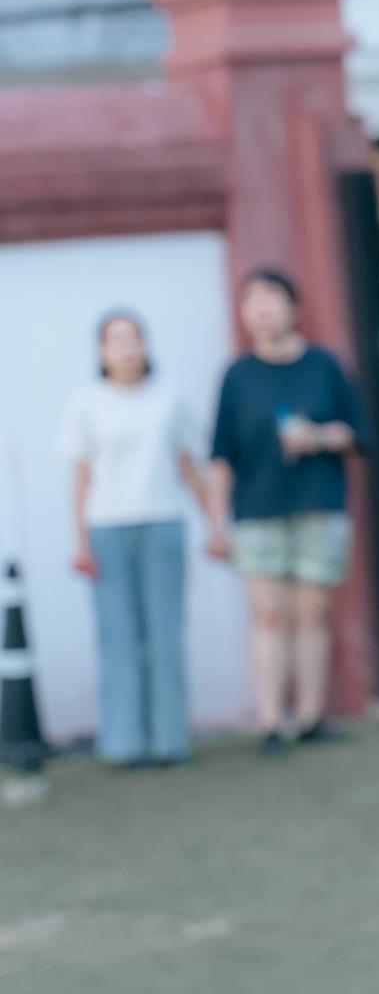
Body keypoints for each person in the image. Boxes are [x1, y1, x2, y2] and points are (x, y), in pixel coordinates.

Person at [208, 269, 368, 756]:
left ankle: (312, 716)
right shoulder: (237, 376)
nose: (261, 307)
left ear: (293, 307)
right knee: (269, 616)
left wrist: (317, 437)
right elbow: (221, 455)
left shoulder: (324, 366)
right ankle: (270, 720)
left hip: (318, 504)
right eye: (251, 299)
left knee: (313, 612)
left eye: (271, 297)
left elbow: (358, 433)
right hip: (258, 510)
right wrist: (215, 522)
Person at [63, 311, 223, 768]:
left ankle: (170, 740)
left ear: (146, 345)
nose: (126, 348)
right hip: (107, 528)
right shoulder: (86, 402)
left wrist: (214, 524)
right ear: (102, 351)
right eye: (115, 340)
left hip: (162, 522)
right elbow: (81, 476)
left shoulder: (169, 399)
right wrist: (80, 542)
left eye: (133, 338)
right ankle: (124, 743)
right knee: (118, 638)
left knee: (165, 635)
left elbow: (189, 466)